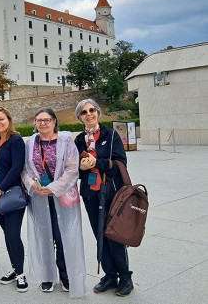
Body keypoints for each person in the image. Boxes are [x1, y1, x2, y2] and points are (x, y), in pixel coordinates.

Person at [22, 107, 86, 298]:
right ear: (35, 123)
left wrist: (53, 187)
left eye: (47, 120)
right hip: (40, 197)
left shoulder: (66, 140)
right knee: (43, 237)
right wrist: (34, 186)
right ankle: (47, 276)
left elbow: (73, 168)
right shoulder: (30, 142)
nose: (43, 123)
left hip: (61, 196)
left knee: (63, 236)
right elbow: (25, 169)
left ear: (54, 121)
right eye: (39, 120)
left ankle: (65, 275)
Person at [74, 98, 133, 297]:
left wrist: (96, 162)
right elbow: (74, 167)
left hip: (111, 192)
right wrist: (80, 168)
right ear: (80, 117)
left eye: (92, 110)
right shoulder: (79, 140)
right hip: (91, 193)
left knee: (114, 234)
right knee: (99, 233)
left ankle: (125, 277)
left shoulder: (111, 134)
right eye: (84, 112)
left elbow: (120, 163)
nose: (89, 114)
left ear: (98, 112)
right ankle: (110, 275)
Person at [0, 107, 28, 292]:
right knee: (7, 235)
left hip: (11, 193)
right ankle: (15, 268)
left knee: (13, 234)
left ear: (9, 120)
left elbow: (17, 167)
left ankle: (21, 274)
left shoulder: (16, 140)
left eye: (1, 119)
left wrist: (0, 189)